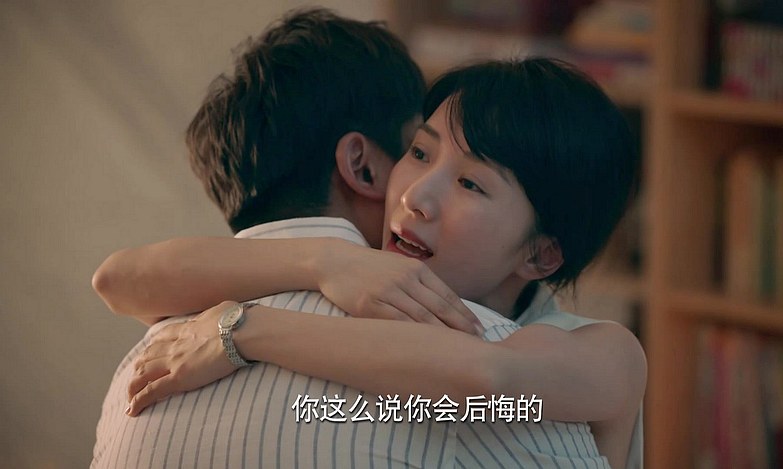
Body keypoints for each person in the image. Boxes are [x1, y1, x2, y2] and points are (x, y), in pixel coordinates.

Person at [95, 57, 645, 468]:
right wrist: (323, 261)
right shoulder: (362, 286)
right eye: (420, 153)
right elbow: (120, 280)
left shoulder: (605, 352)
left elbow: (487, 376)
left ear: (541, 254)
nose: (414, 196)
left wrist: (242, 330)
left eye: (471, 184)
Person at [89, 8, 482, 468]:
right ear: (363, 167)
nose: (427, 188)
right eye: (418, 152)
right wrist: (330, 260)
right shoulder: (465, 340)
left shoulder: (137, 369)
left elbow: (112, 280)